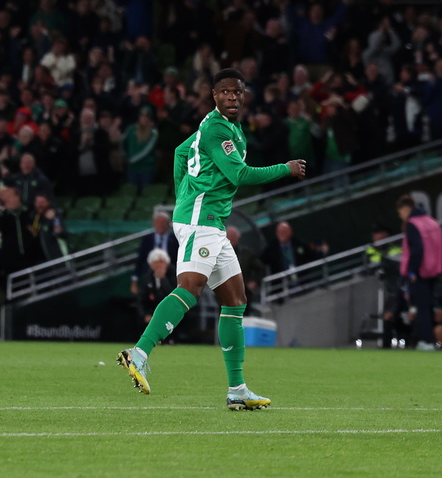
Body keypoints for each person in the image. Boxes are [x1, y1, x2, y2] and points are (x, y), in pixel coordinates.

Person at [117, 68, 307, 411]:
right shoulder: (217, 127)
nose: (232, 98)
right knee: (190, 287)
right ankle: (138, 352)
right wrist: (286, 168)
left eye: (237, 92)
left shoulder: (225, 129)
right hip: (200, 222)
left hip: (212, 223)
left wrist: (183, 194)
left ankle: (237, 388)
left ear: (244, 96)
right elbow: (240, 174)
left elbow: (179, 152)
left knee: (235, 300)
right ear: (214, 96)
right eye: (225, 92)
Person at [396, 194, 442, 350]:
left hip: (420, 272)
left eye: (400, 213)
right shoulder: (433, 222)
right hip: (434, 271)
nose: (401, 216)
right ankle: (428, 339)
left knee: (422, 307)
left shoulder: (413, 224)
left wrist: (412, 271)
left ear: (406, 209)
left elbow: (417, 249)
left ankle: (427, 341)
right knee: (429, 305)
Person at [131, 211, 179, 295]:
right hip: (149, 275)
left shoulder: (175, 240)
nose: (161, 224)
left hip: (171, 276)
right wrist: (134, 281)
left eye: (163, 222)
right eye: (158, 222)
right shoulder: (147, 239)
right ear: (153, 223)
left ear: (168, 224)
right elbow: (140, 261)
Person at [136, 248, 176, 337]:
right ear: (151, 265)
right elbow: (141, 300)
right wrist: (145, 315)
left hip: (169, 313)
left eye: (162, 262)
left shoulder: (174, 275)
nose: (160, 265)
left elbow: (172, 295)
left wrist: (163, 279)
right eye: (157, 262)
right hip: (152, 312)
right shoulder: (147, 278)